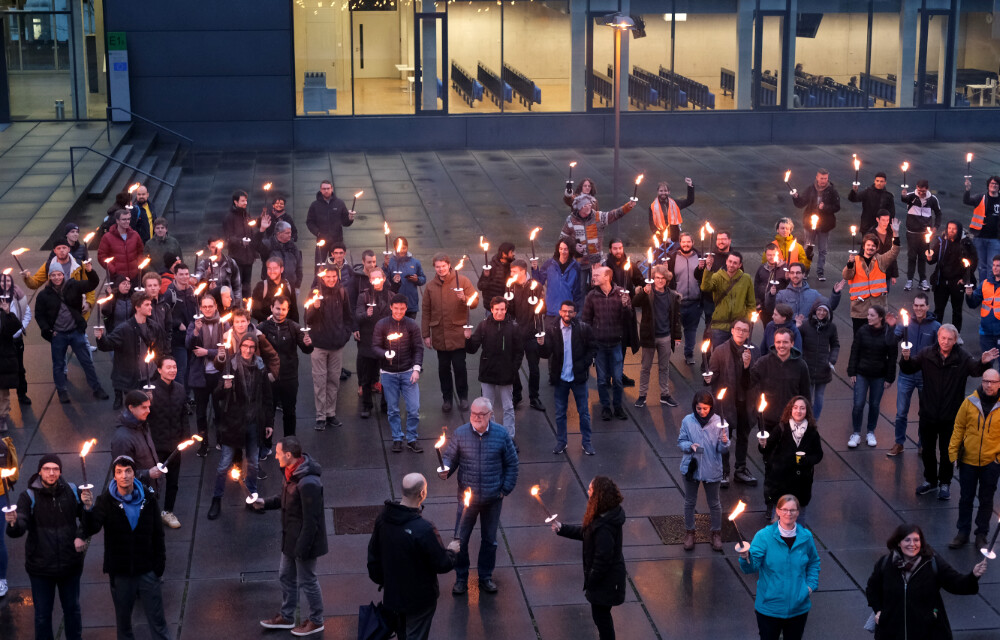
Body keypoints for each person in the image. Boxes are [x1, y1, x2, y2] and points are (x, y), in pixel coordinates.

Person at [900, 324, 998, 500]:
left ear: (955, 340)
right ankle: (930, 480)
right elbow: (909, 368)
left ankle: (945, 482)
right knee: (927, 450)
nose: (945, 342)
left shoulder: (962, 357)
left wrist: (984, 362)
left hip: (950, 415)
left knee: (947, 451)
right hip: (928, 413)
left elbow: (976, 369)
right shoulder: (926, 353)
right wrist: (905, 358)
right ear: (938, 337)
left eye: (949, 339)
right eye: (943, 338)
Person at [80, 455, 169, 640]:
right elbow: (92, 528)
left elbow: (158, 534)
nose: (124, 476)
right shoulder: (105, 501)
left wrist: (158, 567)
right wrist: (87, 509)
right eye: (119, 472)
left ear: (134, 473)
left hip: (147, 571)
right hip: (121, 574)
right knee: (124, 626)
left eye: (128, 471)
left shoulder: (148, 498)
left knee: (158, 623)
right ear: (114, 476)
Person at [439, 397, 519, 596]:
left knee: (489, 541)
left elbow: (512, 464)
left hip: (493, 499)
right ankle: (461, 578)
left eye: (481, 414)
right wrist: (445, 469)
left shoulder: (501, 435)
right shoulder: (460, 434)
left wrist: (504, 489)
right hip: (467, 501)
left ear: (490, 415)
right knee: (460, 540)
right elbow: (450, 457)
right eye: (473, 414)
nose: (476, 417)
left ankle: (485, 577)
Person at [367, 473, 459, 640]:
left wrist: (386, 582)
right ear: (422, 494)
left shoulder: (382, 520)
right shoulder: (423, 528)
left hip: (393, 598)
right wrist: (452, 551)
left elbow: (373, 559)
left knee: (403, 634)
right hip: (419, 601)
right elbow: (442, 563)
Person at [5, 454, 86, 640]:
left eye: (55, 469)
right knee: (42, 616)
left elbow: (88, 518)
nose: (51, 473)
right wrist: (13, 524)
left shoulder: (72, 491)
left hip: (70, 566)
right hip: (41, 569)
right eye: (47, 469)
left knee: (73, 611)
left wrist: (81, 534)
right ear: (40, 471)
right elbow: (19, 528)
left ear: (60, 471)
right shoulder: (28, 496)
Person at [256, 436, 328, 637]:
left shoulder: (308, 483)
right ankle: (287, 616)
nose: (276, 456)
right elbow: (284, 498)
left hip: (303, 543)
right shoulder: (291, 473)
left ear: (288, 455)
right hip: (291, 538)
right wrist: (264, 502)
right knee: (285, 575)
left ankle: (316, 621)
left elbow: (311, 521)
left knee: (308, 580)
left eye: (278, 453)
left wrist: (301, 551)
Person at [866, 523, 987, 640]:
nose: (912, 544)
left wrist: (973, 575)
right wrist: (879, 611)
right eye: (907, 540)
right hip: (892, 632)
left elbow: (957, 584)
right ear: (899, 542)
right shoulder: (885, 564)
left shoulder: (932, 563)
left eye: (916, 540)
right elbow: (872, 590)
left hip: (928, 633)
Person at [550, 476, 627, 640]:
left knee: (602, 620)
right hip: (609, 581)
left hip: (605, 583)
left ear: (598, 495)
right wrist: (562, 528)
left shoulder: (604, 526)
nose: (587, 491)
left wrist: (591, 579)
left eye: (590, 489)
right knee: (602, 618)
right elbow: (587, 534)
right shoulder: (605, 516)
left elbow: (602, 558)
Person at [208, 334, 274, 520]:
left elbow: (268, 398)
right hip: (233, 424)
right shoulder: (231, 364)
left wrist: (269, 423)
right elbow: (217, 394)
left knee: (253, 463)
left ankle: (251, 497)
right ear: (240, 346)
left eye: (252, 347)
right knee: (223, 465)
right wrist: (225, 387)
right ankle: (216, 499)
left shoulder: (260, 366)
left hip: (254, 422)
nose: (248, 350)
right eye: (245, 346)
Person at [738, 494, 821, 640]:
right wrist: (745, 558)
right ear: (777, 511)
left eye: (792, 510)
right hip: (769, 609)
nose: (788, 514)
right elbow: (751, 567)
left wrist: (810, 586)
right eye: (784, 510)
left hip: (798, 608)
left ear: (798, 512)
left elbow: (813, 562)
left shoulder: (806, 536)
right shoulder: (764, 536)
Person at [33, 262, 108, 404]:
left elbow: (93, 283)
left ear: (63, 275)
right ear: (49, 277)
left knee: (87, 361)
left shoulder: (74, 286)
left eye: (59, 274)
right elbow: (39, 315)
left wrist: (90, 271)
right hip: (58, 335)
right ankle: (62, 391)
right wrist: (47, 330)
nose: (56, 278)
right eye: (53, 275)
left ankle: (96, 388)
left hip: (75, 332)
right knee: (58, 365)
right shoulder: (43, 295)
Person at [947, 369, 1000, 550]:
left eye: (993, 382)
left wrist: (997, 459)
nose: (989, 385)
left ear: (999, 384)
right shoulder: (969, 402)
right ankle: (962, 533)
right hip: (968, 460)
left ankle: (981, 534)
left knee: (986, 499)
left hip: (990, 462)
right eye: (986, 381)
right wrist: (953, 454)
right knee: (965, 498)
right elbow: (958, 428)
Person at [538, 300, 597, 455]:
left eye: (570, 311)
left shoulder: (583, 329)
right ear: (559, 312)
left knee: (584, 412)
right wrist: (541, 344)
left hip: (578, 377)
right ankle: (561, 442)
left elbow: (592, 348)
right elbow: (546, 353)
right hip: (561, 378)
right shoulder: (552, 330)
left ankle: (587, 442)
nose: (567, 314)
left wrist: (584, 365)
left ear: (575, 313)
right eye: (564, 311)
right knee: (559, 413)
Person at [705, 318, 759, 486]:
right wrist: (708, 377)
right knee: (724, 437)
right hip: (727, 403)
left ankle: (740, 469)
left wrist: (746, 366)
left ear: (748, 333)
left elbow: (755, 378)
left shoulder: (754, 351)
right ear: (732, 330)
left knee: (743, 436)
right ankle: (724, 470)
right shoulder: (720, 351)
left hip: (746, 402)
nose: (741, 333)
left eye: (744, 330)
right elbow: (712, 375)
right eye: (738, 329)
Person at [422, 253, 477, 413]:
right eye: (437, 267)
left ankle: (463, 397)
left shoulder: (463, 281)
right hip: (440, 335)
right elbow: (426, 311)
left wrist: (464, 298)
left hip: (458, 334)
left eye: (443, 266)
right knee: (443, 369)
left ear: (449, 265)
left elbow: (474, 303)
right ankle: (447, 399)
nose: (440, 269)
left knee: (460, 367)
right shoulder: (431, 287)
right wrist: (426, 334)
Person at [887, 294, 938, 457]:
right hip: (906, 374)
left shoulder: (936, 326)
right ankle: (899, 443)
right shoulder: (905, 323)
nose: (918, 308)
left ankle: (923, 444)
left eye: (922, 305)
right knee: (901, 412)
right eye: (916, 305)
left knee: (925, 412)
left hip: (925, 376)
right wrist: (891, 327)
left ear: (928, 307)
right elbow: (890, 342)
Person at [677, 391, 729, 551]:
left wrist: (725, 442)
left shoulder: (720, 423)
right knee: (690, 502)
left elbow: (722, 449)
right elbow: (681, 441)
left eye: (705, 408)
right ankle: (690, 532)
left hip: (711, 468)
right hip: (691, 468)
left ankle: (716, 533)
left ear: (711, 407)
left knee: (714, 503)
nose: (702, 411)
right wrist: (689, 446)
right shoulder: (687, 420)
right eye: (699, 408)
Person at [465, 296, 522, 441]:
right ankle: (493, 437)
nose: (499, 312)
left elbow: (519, 352)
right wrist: (467, 339)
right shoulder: (483, 326)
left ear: (506, 309)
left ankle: (509, 438)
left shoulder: (513, 327)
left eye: (502, 309)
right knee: (487, 408)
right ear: (491, 310)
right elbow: (472, 349)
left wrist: (513, 369)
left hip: (506, 373)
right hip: (488, 372)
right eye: (496, 309)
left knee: (508, 407)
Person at [758, 397, 823, 522]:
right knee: (777, 523)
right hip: (782, 484)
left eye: (802, 408)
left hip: (802, 486)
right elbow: (766, 448)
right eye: (796, 408)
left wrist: (807, 460)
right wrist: (763, 444)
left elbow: (818, 454)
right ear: (790, 410)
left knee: (799, 522)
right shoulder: (781, 428)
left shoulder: (812, 432)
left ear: (807, 412)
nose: (798, 411)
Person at [373, 294, 424, 453]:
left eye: (402, 308)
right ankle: (397, 438)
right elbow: (375, 346)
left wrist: (416, 369)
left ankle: (412, 438)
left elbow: (418, 348)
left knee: (414, 408)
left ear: (406, 308)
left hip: (408, 372)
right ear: (391, 307)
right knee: (393, 409)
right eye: (396, 308)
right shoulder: (382, 324)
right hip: (388, 374)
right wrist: (384, 354)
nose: (399, 311)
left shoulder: (412, 325)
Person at [304, 267, 354, 429]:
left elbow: (348, 316)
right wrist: (315, 307)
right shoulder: (315, 293)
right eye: (328, 277)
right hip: (318, 345)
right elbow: (307, 319)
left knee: (333, 380)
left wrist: (345, 335)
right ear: (323, 278)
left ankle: (331, 413)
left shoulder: (342, 292)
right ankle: (320, 416)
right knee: (320, 381)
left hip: (336, 345)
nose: (331, 279)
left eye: (334, 276)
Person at [582, 266, 633, 421]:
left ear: (607, 277)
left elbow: (629, 318)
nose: (594, 277)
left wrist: (626, 306)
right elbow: (586, 320)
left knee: (617, 379)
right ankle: (605, 407)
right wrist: (590, 341)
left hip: (616, 343)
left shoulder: (621, 294)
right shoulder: (591, 296)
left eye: (597, 275)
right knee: (602, 379)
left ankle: (618, 407)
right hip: (600, 345)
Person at [259, 296, 313, 437]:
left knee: (290, 411)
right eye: (277, 308)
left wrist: (308, 344)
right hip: (270, 377)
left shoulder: (294, 327)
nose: (280, 312)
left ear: (288, 310)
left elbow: (306, 350)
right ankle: (267, 446)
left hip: (289, 377)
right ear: (271, 308)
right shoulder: (263, 327)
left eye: (283, 309)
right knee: (268, 411)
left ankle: (290, 442)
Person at [186, 293, 231, 455]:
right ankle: (203, 443)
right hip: (200, 375)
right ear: (200, 308)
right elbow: (189, 345)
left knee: (219, 410)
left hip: (218, 374)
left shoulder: (223, 324)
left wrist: (207, 352)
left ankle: (220, 438)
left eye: (210, 306)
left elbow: (226, 348)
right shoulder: (195, 324)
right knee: (201, 412)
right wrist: (196, 332)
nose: (207, 309)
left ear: (215, 307)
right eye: (204, 307)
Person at [631, 264, 681, 408]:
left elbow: (676, 318)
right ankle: (642, 395)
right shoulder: (648, 293)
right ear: (653, 279)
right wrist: (643, 292)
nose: (659, 281)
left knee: (664, 368)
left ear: (667, 280)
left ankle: (665, 395)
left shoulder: (672, 295)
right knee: (645, 367)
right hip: (649, 336)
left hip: (665, 336)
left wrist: (677, 336)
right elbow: (634, 303)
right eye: (657, 278)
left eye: (662, 278)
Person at [847, 305, 897, 448]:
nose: (868, 317)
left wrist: (889, 378)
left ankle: (870, 432)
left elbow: (893, 356)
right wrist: (852, 372)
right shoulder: (862, 331)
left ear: (880, 318)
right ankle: (856, 433)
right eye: (868, 315)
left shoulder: (888, 333)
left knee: (874, 405)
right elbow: (854, 351)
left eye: (872, 315)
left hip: (879, 375)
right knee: (858, 404)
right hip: (862, 373)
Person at [148, 356, 189, 529]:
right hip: (156, 445)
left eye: (174, 367)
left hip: (175, 445)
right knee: (153, 481)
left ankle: (168, 511)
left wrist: (186, 437)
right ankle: (149, 513)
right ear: (159, 370)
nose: (172, 370)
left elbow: (183, 415)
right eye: (168, 367)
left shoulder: (180, 389)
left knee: (173, 481)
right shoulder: (150, 391)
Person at [96, 292, 156, 410]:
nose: (151, 307)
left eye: (150, 304)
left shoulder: (153, 326)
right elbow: (106, 345)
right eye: (147, 305)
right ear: (137, 307)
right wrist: (100, 338)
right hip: (131, 379)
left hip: (149, 375)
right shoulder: (124, 329)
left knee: (148, 409)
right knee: (135, 411)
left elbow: (159, 346)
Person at [843, 223, 902, 332]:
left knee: (878, 341)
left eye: (873, 246)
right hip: (859, 310)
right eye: (868, 245)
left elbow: (894, 251)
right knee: (859, 340)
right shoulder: (854, 261)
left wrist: (896, 233)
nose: (871, 248)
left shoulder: (881, 260)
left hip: (878, 310)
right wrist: (849, 265)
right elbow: (846, 276)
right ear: (864, 246)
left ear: (877, 248)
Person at [751, 328, 811, 434]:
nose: (781, 345)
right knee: (767, 449)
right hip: (767, 418)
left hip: (792, 420)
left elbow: (805, 393)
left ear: (792, 343)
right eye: (778, 342)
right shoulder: (763, 362)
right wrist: (745, 367)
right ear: (774, 343)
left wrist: (807, 418)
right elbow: (748, 382)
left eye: (785, 342)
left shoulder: (801, 365)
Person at [559, 193, 636, 271]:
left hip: (597, 262)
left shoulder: (598, 217)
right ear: (579, 207)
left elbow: (613, 215)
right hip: (579, 263)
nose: (589, 207)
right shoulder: (571, 220)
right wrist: (574, 246)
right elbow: (562, 238)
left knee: (598, 281)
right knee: (581, 283)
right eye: (585, 206)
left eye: (589, 204)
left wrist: (628, 207)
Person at [109, 389, 164, 497]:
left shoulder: (141, 424)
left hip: (148, 489)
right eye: (144, 407)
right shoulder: (122, 439)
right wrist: (147, 474)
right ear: (131, 408)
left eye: (149, 406)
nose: (148, 410)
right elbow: (121, 475)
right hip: (136, 495)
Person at [604, 239, 643, 387]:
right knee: (611, 345)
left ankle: (618, 374)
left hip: (626, 313)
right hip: (611, 312)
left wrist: (640, 288)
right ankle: (608, 376)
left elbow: (641, 280)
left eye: (620, 248)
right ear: (610, 250)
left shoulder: (630, 266)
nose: (618, 251)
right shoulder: (606, 266)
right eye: (615, 249)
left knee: (622, 345)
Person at [507, 259, 545, 409]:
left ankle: (534, 397)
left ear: (523, 271)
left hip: (531, 332)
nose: (512, 274)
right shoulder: (511, 286)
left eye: (514, 272)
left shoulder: (536, 286)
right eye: (511, 272)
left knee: (534, 368)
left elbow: (542, 309)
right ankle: (517, 394)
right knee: (513, 366)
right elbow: (509, 311)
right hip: (516, 334)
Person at [790, 169, 840, 281]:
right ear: (817, 177)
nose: (823, 181)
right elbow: (801, 203)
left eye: (826, 178)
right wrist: (796, 197)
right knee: (807, 248)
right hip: (810, 223)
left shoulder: (832, 191)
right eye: (821, 178)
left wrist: (825, 207)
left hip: (825, 224)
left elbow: (837, 207)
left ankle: (820, 272)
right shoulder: (810, 189)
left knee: (822, 250)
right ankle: (805, 271)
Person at [355, 268, 392, 418]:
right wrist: (365, 314)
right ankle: (367, 405)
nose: (376, 280)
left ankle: (385, 404)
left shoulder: (391, 296)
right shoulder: (363, 297)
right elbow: (357, 316)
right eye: (373, 278)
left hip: (385, 342)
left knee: (387, 375)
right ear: (370, 280)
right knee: (367, 376)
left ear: (383, 279)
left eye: (379, 277)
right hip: (368, 340)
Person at [926, 220, 976, 332]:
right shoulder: (941, 242)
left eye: (954, 229)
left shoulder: (966, 243)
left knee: (957, 310)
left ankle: (956, 334)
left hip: (957, 282)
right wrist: (929, 257)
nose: (951, 231)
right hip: (941, 281)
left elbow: (973, 262)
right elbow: (933, 258)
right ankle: (936, 332)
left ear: (958, 230)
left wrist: (964, 279)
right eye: (949, 228)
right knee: (939, 309)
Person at [663, 232, 704, 365]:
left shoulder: (700, 257)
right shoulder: (672, 257)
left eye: (688, 242)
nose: (686, 244)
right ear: (680, 243)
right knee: (670, 329)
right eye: (683, 242)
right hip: (677, 302)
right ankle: (666, 354)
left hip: (694, 301)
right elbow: (666, 278)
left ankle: (689, 354)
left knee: (691, 330)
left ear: (693, 242)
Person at [701, 251, 755, 348]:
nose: (731, 265)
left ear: (740, 265)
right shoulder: (717, 276)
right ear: (726, 262)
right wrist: (708, 269)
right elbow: (705, 287)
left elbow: (751, 303)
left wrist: (747, 322)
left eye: (735, 263)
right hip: (720, 326)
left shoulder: (746, 279)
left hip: (739, 326)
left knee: (738, 356)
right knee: (720, 355)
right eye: (730, 261)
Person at [796, 301, 838, 420]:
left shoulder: (831, 327)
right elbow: (797, 342)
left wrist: (832, 360)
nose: (821, 313)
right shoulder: (805, 325)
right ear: (814, 310)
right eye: (819, 310)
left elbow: (835, 345)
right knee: (807, 397)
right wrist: (797, 328)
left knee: (819, 396)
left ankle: (815, 420)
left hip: (823, 367)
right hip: (807, 366)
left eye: (825, 311)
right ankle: (807, 419)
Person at [531, 239, 583, 328]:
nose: (563, 252)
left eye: (565, 249)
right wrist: (535, 270)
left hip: (567, 312)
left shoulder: (576, 267)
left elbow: (578, 291)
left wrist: (576, 311)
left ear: (570, 250)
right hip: (551, 311)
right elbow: (539, 282)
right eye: (561, 248)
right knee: (550, 339)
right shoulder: (549, 263)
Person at [901, 179, 942, 291]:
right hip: (912, 233)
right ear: (916, 187)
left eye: (923, 191)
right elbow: (904, 199)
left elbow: (938, 214)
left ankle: (922, 280)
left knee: (923, 257)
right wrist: (903, 194)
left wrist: (935, 227)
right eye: (919, 191)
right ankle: (909, 280)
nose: (921, 193)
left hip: (925, 234)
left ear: (927, 189)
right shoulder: (911, 196)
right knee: (912, 257)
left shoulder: (933, 200)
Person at [305, 179, 355, 265]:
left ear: (332, 189)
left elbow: (345, 222)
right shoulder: (315, 205)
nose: (326, 190)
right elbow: (309, 222)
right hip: (322, 241)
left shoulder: (339, 203)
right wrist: (318, 233)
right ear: (320, 190)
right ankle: (318, 279)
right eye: (324, 189)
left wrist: (350, 218)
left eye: (328, 188)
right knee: (319, 265)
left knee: (337, 265)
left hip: (337, 241)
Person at [0, 271, 31, 407]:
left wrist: (18, 329)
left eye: (8, 281)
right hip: (2, 341)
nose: (5, 284)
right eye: (2, 281)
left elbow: (27, 313)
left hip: (16, 339)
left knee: (19, 367)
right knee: (3, 369)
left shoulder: (18, 295)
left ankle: (21, 394)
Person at [964, 175, 1000, 283]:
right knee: (982, 266)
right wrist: (967, 189)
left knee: (992, 266)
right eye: (992, 184)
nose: (994, 186)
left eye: (996, 184)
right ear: (988, 186)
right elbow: (967, 201)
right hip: (980, 237)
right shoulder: (981, 197)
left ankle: (991, 287)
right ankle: (984, 288)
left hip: (995, 239)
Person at [222, 189, 257, 298]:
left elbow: (251, 232)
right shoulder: (229, 217)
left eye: (246, 200)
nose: (245, 203)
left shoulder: (246, 215)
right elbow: (228, 237)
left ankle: (247, 308)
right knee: (237, 285)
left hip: (248, 258)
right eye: (242, 201)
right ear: (235, 202)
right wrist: (241, 241)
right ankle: (236, 308)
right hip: (237, 258)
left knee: (247, 285)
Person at [968, 253, 1000, 371]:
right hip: (986, 334)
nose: (995, 268)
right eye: (994, 265)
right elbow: (973, 304)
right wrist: (970, 295)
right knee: (987, 367)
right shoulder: (985, 284)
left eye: (998, 266)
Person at [98, 207, 145, 284]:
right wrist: (114, 270)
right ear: (117, 221)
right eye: (124, 219)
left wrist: (137, 266)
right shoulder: (107, 237)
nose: (127, 221)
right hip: (117, 278)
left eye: (128, 219)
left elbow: (141, 252)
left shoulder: (135, 235)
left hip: (134, 277)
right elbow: (101, 256)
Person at [256, 219, 303, 292]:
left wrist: (297, 285)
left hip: (291, 288)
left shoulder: (293, 247)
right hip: (272, 288)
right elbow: (256, 246)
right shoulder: (268, 245)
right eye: (287, 233)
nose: (290, 235)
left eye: (290, 233)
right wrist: (262, 230)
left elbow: (299, 268)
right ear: (279, 233)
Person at [385, 237, 426, 319]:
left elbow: (423, 279)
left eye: (404, 248)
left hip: (410, 303)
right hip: (395, 304)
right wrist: (392, 280)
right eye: (399, 248)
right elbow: (384, 280)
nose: (402, 250)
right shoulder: (390, 262)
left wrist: (417, 279)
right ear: (395, 248)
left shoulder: (415, 262)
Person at [252, 256, 299, 323]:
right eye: (269, 268)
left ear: (281, 269)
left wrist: (296, 330)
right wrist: (267, 319)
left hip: (285, 328)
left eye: (275, 268)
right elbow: (255, 311)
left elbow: (294, 311)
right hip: (266, 327)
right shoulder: (261, 286)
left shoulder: (288, 286)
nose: (272, 271)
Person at [648, 178, 695, 243]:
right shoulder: (652, 207)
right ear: (658, 192)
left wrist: (690, 185)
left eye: (665, 191)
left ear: (669, 192)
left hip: (674, 238)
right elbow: (652, 224)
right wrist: (658, 234)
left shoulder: (675, 203)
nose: (663, 193)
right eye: (661, 191)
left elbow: (690, 201)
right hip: (660, 239)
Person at [0, 298, 19, 432]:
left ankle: (2, 417)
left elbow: (14, 327)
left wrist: (7, 313)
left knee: (2, 392)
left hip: (3, 358)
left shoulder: (4, 313)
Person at [870, 209, 901, 289]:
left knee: (885, 296)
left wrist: (894, 275)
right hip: (874, 273)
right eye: (883, 220)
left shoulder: (890, 235)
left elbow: (893, 256)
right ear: (877, 220)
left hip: (887, 273)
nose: (885, 222)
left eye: (887, 220)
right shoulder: (871, 235)